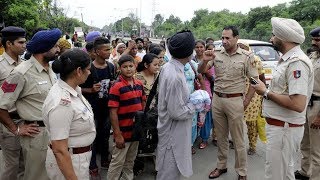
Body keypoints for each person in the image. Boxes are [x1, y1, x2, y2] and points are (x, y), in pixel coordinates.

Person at [252, 17, 314, 180]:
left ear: (283, 38)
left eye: (273, 35)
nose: (271, 39)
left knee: (275, 174)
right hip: (282, 128)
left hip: (284, 129)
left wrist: (265, 92)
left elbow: (298, 103)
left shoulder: (296, 63)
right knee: (284, 172)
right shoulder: (288, 59)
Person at [0, 28, 61, 180]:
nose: (58, 49)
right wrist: (16, 129)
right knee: (34, 176)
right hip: (36, 134)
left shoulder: (50, 69)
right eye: (55, 46)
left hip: (52, 131)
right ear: (43, 49)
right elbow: (1, 105)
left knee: (50, 174)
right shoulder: (21, 73)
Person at [198, 26, 259, 180]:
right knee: (221, 137)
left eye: (227, 38)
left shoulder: (247, 57)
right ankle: (221, 166)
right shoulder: (216, 54)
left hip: (235, 100)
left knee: (238, 139)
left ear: (236, 38)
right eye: (222, 38)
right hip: (218, 99)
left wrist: (245, 101)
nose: (224, 41)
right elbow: (201, 70)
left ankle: (242, 171)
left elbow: (255, 82)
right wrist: (204, 61)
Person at [43, 49, 96, 180]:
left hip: (77, 158)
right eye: (88, 69)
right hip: (70, 162)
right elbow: (60, 150)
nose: (89, 72)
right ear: (78, 71)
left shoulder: (73, 89)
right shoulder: (62, 102)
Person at [156, 30, 198, 180]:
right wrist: (196, 105)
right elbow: (177, 112)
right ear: (188, 52)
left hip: (174, 130)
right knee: (169, 172)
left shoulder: (170, 67)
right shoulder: (174, 75)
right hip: (173, 133)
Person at [107, 54, 146, 180]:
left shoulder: (139, 84)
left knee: (130, 161)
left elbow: (143, 104)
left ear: (135, 67)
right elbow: (113, 112)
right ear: (119, 68)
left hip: (135, 132)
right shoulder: (116, 86)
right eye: (125, 67)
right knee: (117, 162)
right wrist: (117, 134)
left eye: (131, 66)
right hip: (122, 133)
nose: (128, 69)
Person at [80, 37, 115, 177]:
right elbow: (76, 88)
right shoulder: (88, 68)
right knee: (91, 138)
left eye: (110, 49)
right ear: (97, 51)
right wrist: (90, 90)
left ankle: (105, 159)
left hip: (107, 108)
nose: (109, 52)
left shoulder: (111, 66)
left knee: (105, 135)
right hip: (91, 109)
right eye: (106, 49)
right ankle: (92, 164)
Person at [0, 26, 26, 180]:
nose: (25, 45)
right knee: (11, 166)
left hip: (25, 121)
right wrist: (13, 128)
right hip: (8, 122)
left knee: (24, 164)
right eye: (21, 42)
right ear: (9, 44)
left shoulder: (24, 64)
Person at [295, 27, 320, 180]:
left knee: (317, 150)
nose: (313, 42)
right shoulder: (312, 56)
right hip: (307, 104)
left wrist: (319, 117)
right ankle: (305, 172)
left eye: (318, 40)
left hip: (318, 107)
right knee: (305, 144)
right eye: (313, 39)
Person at [238, 41, 266, 155]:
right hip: (237, 93)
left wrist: (263, 95)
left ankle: (252, 145)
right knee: (236, 121)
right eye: (239, 48)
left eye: (243, 48)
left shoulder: (255, 60)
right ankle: (237, 142)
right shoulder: (235, 59)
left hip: (253, 95)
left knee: (251, 123)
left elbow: (261, 78)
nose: (241, 50)